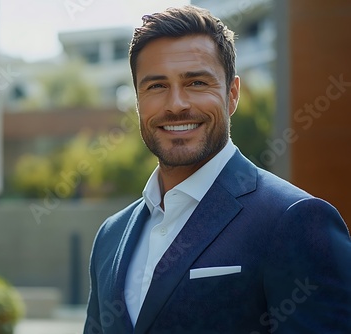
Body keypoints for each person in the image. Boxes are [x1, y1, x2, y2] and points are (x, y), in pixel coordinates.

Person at [83, 5, 351, 334]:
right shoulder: (111, 235)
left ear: (232, 94)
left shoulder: (296, 220)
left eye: (196, 82)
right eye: (156, 86)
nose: (176, 104)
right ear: (138, 101)